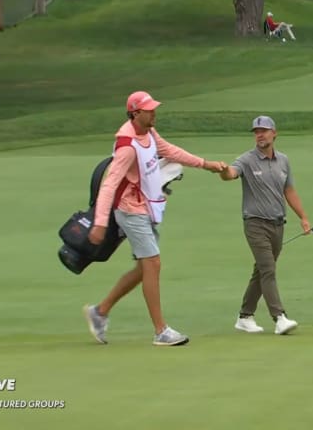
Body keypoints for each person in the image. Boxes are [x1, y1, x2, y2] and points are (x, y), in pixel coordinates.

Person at [83, 90, 225, 346]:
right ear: (135, 113)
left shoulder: (148, 133)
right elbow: (109, 184)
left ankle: (99, 312)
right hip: (129, 210)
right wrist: (100, 222)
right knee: (153, 264)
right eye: (149, 109)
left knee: (143, 269)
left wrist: (205, 164)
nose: (154, 112)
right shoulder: (126, 145)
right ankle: (161, 331)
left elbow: (169, 151)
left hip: (146, 207)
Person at [218, 116, 311, 336]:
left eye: (264, 131)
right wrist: (223, 170)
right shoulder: (247, 160)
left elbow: (289, 190)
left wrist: (303, 216)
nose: (260, 135)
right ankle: (279, 317)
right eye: (256, 131)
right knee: (268, 269)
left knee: (261, 271)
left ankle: (245, 316)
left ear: (274, 133)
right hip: (255, 223)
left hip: (278, 224)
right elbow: (231, 174)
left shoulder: (283, 161)